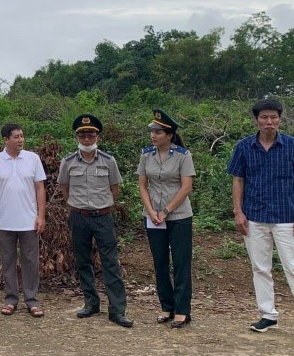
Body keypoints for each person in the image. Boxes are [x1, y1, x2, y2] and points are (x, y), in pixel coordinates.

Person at [228, 98, 294, 344]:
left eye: (273, 117)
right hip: (254, 216)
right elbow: (238, 180)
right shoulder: (244, 147)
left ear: (280, 119)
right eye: (264, 117)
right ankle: (267, 315)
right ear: (256, 120)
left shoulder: (292, 146)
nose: (269, 122)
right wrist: (238, 212)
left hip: (287, 217)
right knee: (260, 268)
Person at [58, 114, 133, 328]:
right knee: (83, 262)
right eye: (82, 135)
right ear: (77, 137)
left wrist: (105, 206)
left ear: (97, 136)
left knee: (110, 263)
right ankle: (91, 303)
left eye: (90, 134)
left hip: (103, 217)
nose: (86, 138)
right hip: (79, 217)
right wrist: (75, 206)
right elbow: (64, 187)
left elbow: (114, 188)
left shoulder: (109, 161)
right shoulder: (68, 162)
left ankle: (117, 310)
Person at [136, 109, 195, 329]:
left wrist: (166, 211)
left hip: (179, 216)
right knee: (159, 262)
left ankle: (182, 310)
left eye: (159, 132)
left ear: (169, 135)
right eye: (152, 131)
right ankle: (166, 306)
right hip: (153, 217)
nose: (154, 135)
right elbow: (143, 185)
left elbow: (186, 187)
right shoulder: (146, 155)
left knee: (180, 262)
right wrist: (151, 211)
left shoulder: (183, 155)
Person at [0, 123, 46, 318]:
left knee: (31, 261)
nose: (21, 140)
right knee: (8, 261)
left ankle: (32, 300)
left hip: (29, 221)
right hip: (5, 221)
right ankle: (11, 299)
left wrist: (41, 216)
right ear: (6, 139)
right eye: (16, 137)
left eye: (22, 136)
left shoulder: (32, 158)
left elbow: (40, 188)